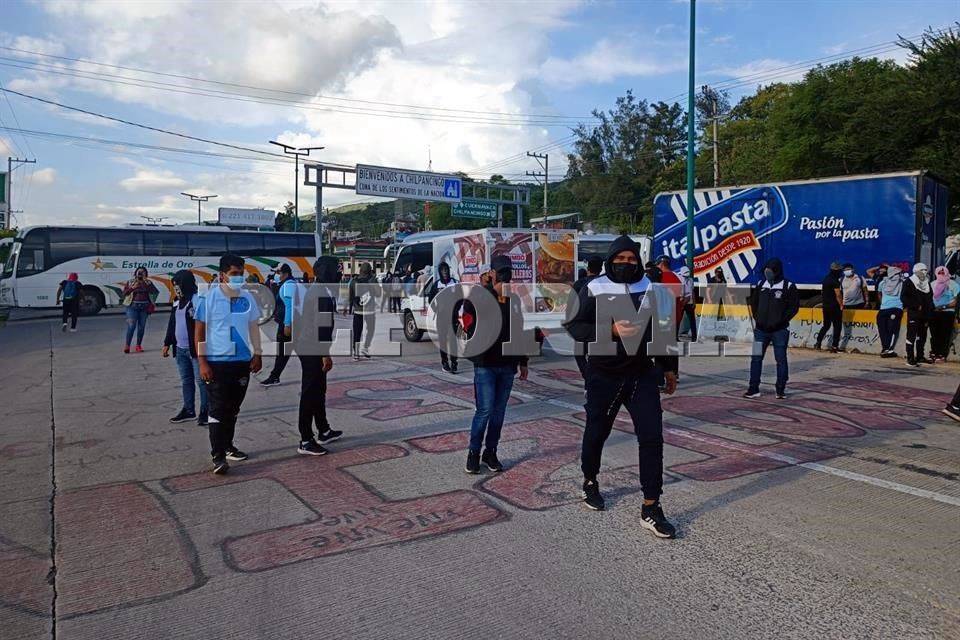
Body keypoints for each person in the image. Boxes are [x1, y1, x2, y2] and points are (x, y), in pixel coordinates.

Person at [564, 235, 679, 538]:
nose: (626, 264)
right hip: (605, 374)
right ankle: (590, 480)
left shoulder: (650, 288)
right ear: (611, 259)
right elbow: (575, 327)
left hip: (642, 374)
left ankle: (651, 507)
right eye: (621, 258)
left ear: (639, 261)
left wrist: (669, 369)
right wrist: (610, 329)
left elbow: (662, 331)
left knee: (652, 437)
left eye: (631, 259)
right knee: (597, 432)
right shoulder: (594, 287)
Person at [195, 253, 262, 474]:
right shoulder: (209, 299)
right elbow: (200, 332)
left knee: (233, 409)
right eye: (234, 274)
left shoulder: (247, 298)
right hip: (216, 364)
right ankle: (218, 456)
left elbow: (253, 327)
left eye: (241, 274)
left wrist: (257, 353)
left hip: (241, 362)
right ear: (222, 275)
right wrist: (203, 362)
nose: (238, 278)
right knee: (217, 409)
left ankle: (229, 445)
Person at [464, 255, 529, 475]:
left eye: (508, 272)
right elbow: (468, 320)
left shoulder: (515, 300)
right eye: (501, 272)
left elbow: (520, 330)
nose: (505, 276)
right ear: (491, 273)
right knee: (484, 411)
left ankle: (490, 452)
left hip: (507, 365)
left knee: (499, 413)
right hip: (485, 364)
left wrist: (524, 361)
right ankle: (473, 453)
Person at [296, 256, 344, 455]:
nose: (339, 274)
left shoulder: (319, 290)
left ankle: (323, 429)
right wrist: (325, 354)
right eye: (336, 270)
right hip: (311, 347)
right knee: (310, 392)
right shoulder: (320, 294)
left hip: (311, 345)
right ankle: (306, 439)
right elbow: (321, 328)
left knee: (319, 389)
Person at [745, 258, 799, 399]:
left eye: (771, 270)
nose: (768, 273)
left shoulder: (788, 286)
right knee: (756, 359)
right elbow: (754, 303)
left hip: (779, 331)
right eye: (766, 270)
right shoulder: (761, 284)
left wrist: (780, 321)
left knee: (780, 359)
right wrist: (758, 319)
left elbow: (793, 308)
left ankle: (780, 389)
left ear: (777, 271)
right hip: (761, 331)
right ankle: (753, 388)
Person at [162, 270, 208, 425]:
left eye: (178, 284)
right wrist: (167, 343)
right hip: (180, 349)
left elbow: (203, 326)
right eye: (174, 285)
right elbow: (172, 323)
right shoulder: (177, 301)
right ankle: (189, 410)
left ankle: (205, 411)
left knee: (201, 381)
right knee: (186, 380)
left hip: (194, 350)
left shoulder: (197, 300)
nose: (176, 288)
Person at [260, 263, 295, 386]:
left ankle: (274, 377)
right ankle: (275, 376)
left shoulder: (288, 285)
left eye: (278, 273)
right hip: (291, 323)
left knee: (282, 352)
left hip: (288, 325)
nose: (276, 275)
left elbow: (290, 305)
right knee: (284, 353)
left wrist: (287, 324)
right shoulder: (289, 284)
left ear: (285, 273)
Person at [570, 257, 603, 376]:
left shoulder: (580, 283)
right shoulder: (604, 283)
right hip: (600, 324)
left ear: (588, 269)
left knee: (579, 354)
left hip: (583, 325)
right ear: (600, 270)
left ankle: (587, 376)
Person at [427, 261, 460, 373]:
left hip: (453, 318)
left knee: (453, 341)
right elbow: (430, 300)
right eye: (442, 270)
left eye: (446, 270)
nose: (445, 272)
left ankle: (454, 363)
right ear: (440, 272)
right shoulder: (436, 285)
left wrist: (456, 309)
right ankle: (445, 363)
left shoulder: (454, 283)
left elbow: (461, 297)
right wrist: (436, 309)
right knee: (443, 341)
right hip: (441, 318)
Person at [901, 263, 935, 367]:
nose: (924, 272)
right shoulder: (909, 282)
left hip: (925, 314)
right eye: (922, 270)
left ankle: (920, 356)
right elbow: (903, 297)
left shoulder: (926, 282)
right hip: (914, 314)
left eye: (925, 270)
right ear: (916, 271)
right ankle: (910, 358)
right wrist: (915, 305)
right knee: (911, 336)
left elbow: (930, 297)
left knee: (922, 336)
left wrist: (931, 308)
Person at [121, 266, 159, 353]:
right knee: (131, 326)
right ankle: (127, 345)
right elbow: (124, 294)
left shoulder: (148, 282)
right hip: (132, 307)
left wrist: (146, 282)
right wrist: (132, 288)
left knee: (141, 327)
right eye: (139, 272)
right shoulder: (131, 282)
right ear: (136, 273)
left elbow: (154, 292)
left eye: (143, 272)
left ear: (146, 274)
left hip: (144, 308)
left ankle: (138, 345)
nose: (141, 274)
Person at [348, 262, 377, 359]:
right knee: (370, 330)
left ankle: (356, 353)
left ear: (360, 270)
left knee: (357, 332)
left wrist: (348, 308)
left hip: (358, 311)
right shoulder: (372, 280)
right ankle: (365, 347)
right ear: (369, 270)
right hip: (369, 310)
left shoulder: (353, 281)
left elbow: (350, 296)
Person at [929, 266, 958, 362]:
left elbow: (956, 301)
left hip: (948, 313)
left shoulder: (953, 284)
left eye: (943, 272)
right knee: (934, 334)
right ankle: (934, 352)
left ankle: (942, 354)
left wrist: (944, 307)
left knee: (945, 334)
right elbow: (928, 299)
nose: (941, 274)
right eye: (939, 273)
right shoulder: (932, 284)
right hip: (934, 313)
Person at [875, 265, 906, 358]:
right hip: (896, 308)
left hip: (883, 309)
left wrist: (882, 303)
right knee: (891, 330)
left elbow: (879, 293)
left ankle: (885, 349)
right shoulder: (902, 283)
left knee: (884, 330)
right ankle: (888, 349)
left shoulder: (883, 282)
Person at [815, 262, 844, 353]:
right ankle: (834, 346)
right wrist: (841, 305)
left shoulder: (826, 279)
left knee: (826, 325)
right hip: (834, 306)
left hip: (826, 306)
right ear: (837, 270)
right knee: (837, 326)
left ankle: (818, 342)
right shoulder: (835, 281)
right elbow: (838, 294)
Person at [678, 266, 697, 341]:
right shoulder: (679, 279)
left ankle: (694, 337)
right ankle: (675, 336)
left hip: (689, 302)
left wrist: (694, 302)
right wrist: (681, 304)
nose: (687, 275)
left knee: (692, 320)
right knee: (678, 319)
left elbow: (692, 291)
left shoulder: (691, 280)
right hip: (682, 301)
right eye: (685, 273)